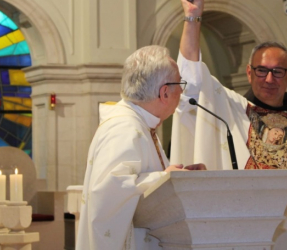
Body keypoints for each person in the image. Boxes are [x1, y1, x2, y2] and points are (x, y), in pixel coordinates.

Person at [171, 0, 287, 249]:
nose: (269, 79)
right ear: (249, 72)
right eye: (262, 70)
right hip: (236, 236)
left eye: (278, 72)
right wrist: (193, 18)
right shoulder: (228, 108)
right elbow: (191, 80)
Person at [77, 45, 205, 250]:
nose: (182, 91)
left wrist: (179, 177)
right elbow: (110, 192)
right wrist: (165, 179)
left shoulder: (139, 123)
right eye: (180, 83)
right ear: (164, 92)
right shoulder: (125, 127)